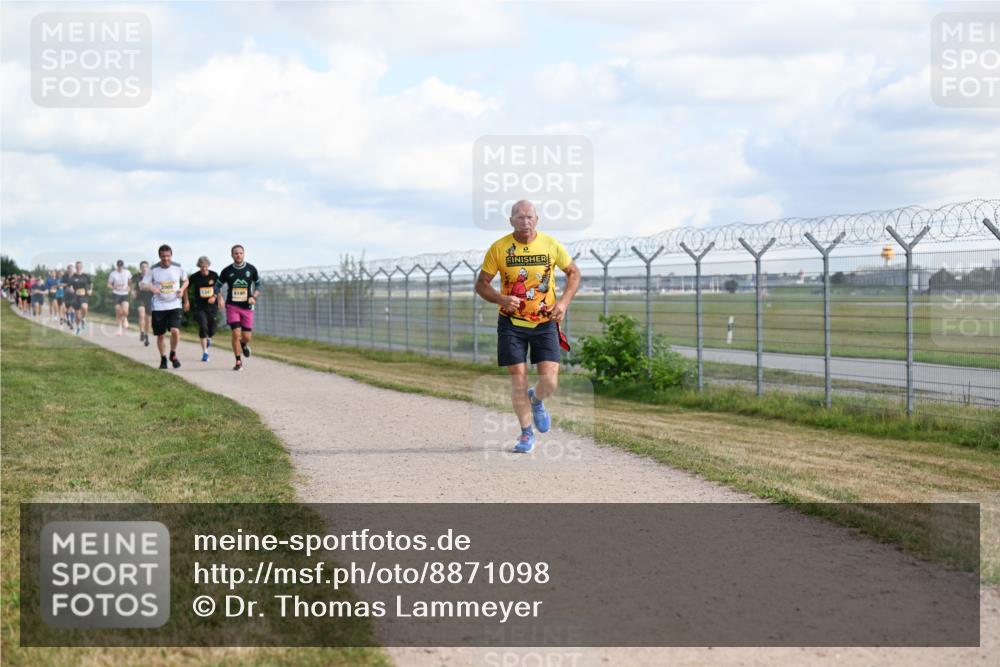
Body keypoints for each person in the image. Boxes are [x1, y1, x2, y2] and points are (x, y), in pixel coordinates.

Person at [474, 200, 581, 453]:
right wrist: (501, 298)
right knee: (518, 379)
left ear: (537, 219)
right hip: (511, 323)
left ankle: (537, 399)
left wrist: (563, 303)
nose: (525, 221)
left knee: (550, 381)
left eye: (529, 216)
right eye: (519, 217)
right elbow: (481, 284)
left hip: (545, 323)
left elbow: (574, 273)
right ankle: (525, 433)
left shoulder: (551, 244)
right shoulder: (499, 248)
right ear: (511, 221)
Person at [141, 245, 188, 369]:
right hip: (159, 306)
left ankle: (173, 353)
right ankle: (163, 359)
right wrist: (152, 288)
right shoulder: (153, 269)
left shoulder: (178, 267)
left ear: (171, 255)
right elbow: (143, 284)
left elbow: (186, 280)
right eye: (163, 256)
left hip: (174, 305)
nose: (166, 259)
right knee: (161, 335)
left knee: (175, 331)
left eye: (168, 256)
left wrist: (182, 290)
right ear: (159, 256)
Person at [217, 244, 261, 371]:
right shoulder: (227, 271)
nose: (238, 255)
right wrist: (219, 298)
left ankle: (243, 344)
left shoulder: (251, 269)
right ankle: (238, 361)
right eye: (236, 253)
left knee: (247, 337)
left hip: (247, 307)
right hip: (232, 306)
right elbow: (217, 286)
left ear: (244, 254)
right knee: (236, 333)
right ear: (232, 255)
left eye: (240, 253)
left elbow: (258, 285)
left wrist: (254, 296)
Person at [184, 256, 219, 362]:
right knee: (203, 326)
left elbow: (218, 288)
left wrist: (216, 297)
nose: (204, 268)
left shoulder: (214, 275)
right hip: (200, 306)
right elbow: (185, 288)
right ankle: (205, 353)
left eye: (206, 266)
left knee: (211, 328)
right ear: (199, 266)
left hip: (212, 306)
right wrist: (186, 301)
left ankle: (209, 338)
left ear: (208, 265)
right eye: (202, 267)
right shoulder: (194, 277)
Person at [107, 259, 132, 336]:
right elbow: (108, 284)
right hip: (116, 294)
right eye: (118, 266)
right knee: (118, 311)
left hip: (125, 293)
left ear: (123, 266)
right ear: (117, 266)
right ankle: (119, 329)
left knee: (125, 311)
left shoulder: (127, 272)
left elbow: (130, 281)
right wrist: (113, 287)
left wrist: (129, 287)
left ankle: (125, 318)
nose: (120, 267)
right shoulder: (113, 274)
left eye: (121, 266)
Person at [68, 261, 92, 334]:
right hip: (75, 296)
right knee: (77, 315)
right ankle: (78, 328)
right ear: (76, 267)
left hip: (84, 295)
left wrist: (90, 290)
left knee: (84, 307)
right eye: (77, 266)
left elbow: (91, 283)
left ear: (82, 267)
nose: (78, 268)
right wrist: (71, 289)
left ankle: (83, 318)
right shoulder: (73, 277)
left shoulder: (86, 276)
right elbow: (70, 285)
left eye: (80, 266)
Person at [132, 260, 152, 346]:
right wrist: (132, 291)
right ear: (140, 268)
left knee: (148, 319)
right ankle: (142, 332)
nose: (144, 268)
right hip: (140, 298)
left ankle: (147, 335)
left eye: (146, 267)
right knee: (141, 314)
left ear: (148, 268)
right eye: (142, 267)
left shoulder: (152, 276)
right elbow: (130, 284)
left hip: (150, 298)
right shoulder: (136, 276)